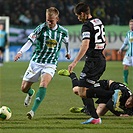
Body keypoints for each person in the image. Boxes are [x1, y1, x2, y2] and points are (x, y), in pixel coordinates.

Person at [14, 7, 71, 119]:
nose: (49, 22)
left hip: (51, 63)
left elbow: (67, 42)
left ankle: (32, 111)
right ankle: (30, 93)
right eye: (47, 20)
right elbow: (30, 42)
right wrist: (20, 52)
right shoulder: (40, 28)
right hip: (36, 62)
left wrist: (68, 52)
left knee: (44, 84)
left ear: (57, 19)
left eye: (51, 20)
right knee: (24, 88)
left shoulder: (63, 32)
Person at [63, 2, 107, 123]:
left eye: (78, 16)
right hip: (100, 59)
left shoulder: (87, 26)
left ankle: (110, 95)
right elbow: (104, 40)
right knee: (82, 90)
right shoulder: (98, 21)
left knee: (82, 91)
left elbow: (85, 44)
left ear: (83, 14)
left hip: (93, 62)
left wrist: (74, 62)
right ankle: (95, 117)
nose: (78, 18)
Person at [58, 70, 133, 122]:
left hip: (109, 96)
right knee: (77, 91)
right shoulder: (123, 94)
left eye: (130, 104)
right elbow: (110, 105)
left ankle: (85, 109)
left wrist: (127, 114)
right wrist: (120, 114)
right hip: (105, 86)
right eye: (129, 101)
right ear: (129, 97)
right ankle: (72, 75)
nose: (128, 104)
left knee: (98, 114)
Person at [117, 19, 133, 86]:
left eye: (132, 25)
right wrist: (121, 49)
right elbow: (125, 42)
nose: (131, 26)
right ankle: (125, 81)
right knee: (125, 66)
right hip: (129, 53)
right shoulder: (128, 33)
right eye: (130, 24)